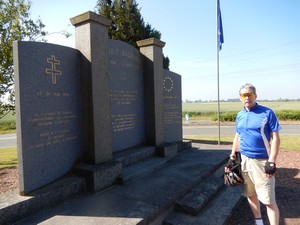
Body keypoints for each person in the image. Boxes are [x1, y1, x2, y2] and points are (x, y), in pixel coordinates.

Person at [226, 83, 281, 225]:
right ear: (240, 98)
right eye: (244, 95)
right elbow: (238, 136)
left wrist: (272, 161)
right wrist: (232, 158)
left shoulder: (267, 113)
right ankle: (259, 222)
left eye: (250, 94)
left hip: (262, 161)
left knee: (269, 201)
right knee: (250, 194)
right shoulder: (240, 115)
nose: (247, 98)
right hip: (244, 160)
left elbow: (275, 138)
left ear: (255, 96)